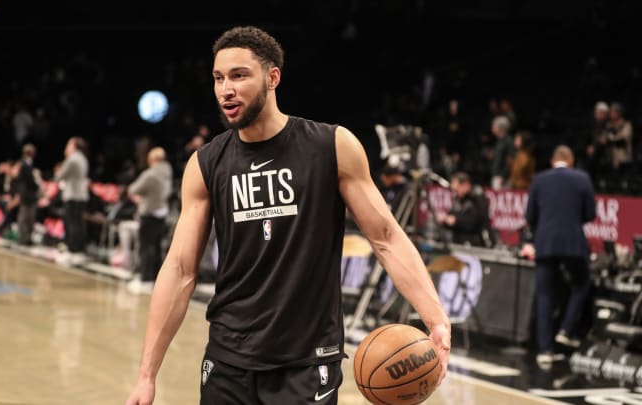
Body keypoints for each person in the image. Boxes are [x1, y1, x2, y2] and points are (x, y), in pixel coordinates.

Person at [125, 26, 450, 405]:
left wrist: (436, 319)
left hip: (307, 362)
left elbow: (386, 237)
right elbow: (180, 271)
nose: (225, 89)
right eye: (218, 78)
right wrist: (147, 375)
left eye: (239, 75)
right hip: (228, 360)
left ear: (272, 77)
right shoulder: (205, 164)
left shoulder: (331, 146)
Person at [521, 145, 596, 369]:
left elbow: (529, 215)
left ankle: (544, 351)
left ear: (553, 160)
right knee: (581, 284)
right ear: (570, 160)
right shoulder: (582, 178)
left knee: (545, 295)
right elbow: (590, 214)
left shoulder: (539, 179)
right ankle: (566, 329)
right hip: (573, 243)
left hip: (545, 243)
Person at [126, 147, 173, 294]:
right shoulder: (167, 172)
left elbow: (134, 189)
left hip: (149, 212)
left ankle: (146, 279)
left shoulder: (151, 174)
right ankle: (156, 279)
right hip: (162, 212)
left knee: (146, 247)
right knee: (157, 247)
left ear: (151, 159)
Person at [54, 136, 89, 264]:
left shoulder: (73, 158)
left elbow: (60, 175)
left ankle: (72, 250)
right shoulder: (83, 158)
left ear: (74, 146)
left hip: (73, 195)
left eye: (69, 144)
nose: (66, 147)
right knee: (78, 224)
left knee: (71, 224)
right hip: (81, 196)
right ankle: (77, 250)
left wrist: (57, 174)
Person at [437, 172, 489, 246]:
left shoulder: (477, 199)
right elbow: (452, 216)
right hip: (458, 242)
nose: (454, 193)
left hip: (475, 244)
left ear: (465, 185)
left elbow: (477, 221)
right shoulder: (459, 199)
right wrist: (445, 220)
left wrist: (456, 221)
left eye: (456, 189)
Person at [16, 144, 40, 246]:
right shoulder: (25, 164)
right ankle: (23, 238)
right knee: (25, 217)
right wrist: (37, 186)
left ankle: (26, 238)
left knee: (29, 217)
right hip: (27, 195)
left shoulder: (26, 164)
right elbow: (29, 181)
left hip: (28, 195)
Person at [490, 115, 515, 190]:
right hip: (497, 175)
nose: (492, 128)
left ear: (500, 128)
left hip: (503, 178)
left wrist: (504, 176)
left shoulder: (509, 141)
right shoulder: (499, 141)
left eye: (494, 126)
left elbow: (511, 160)